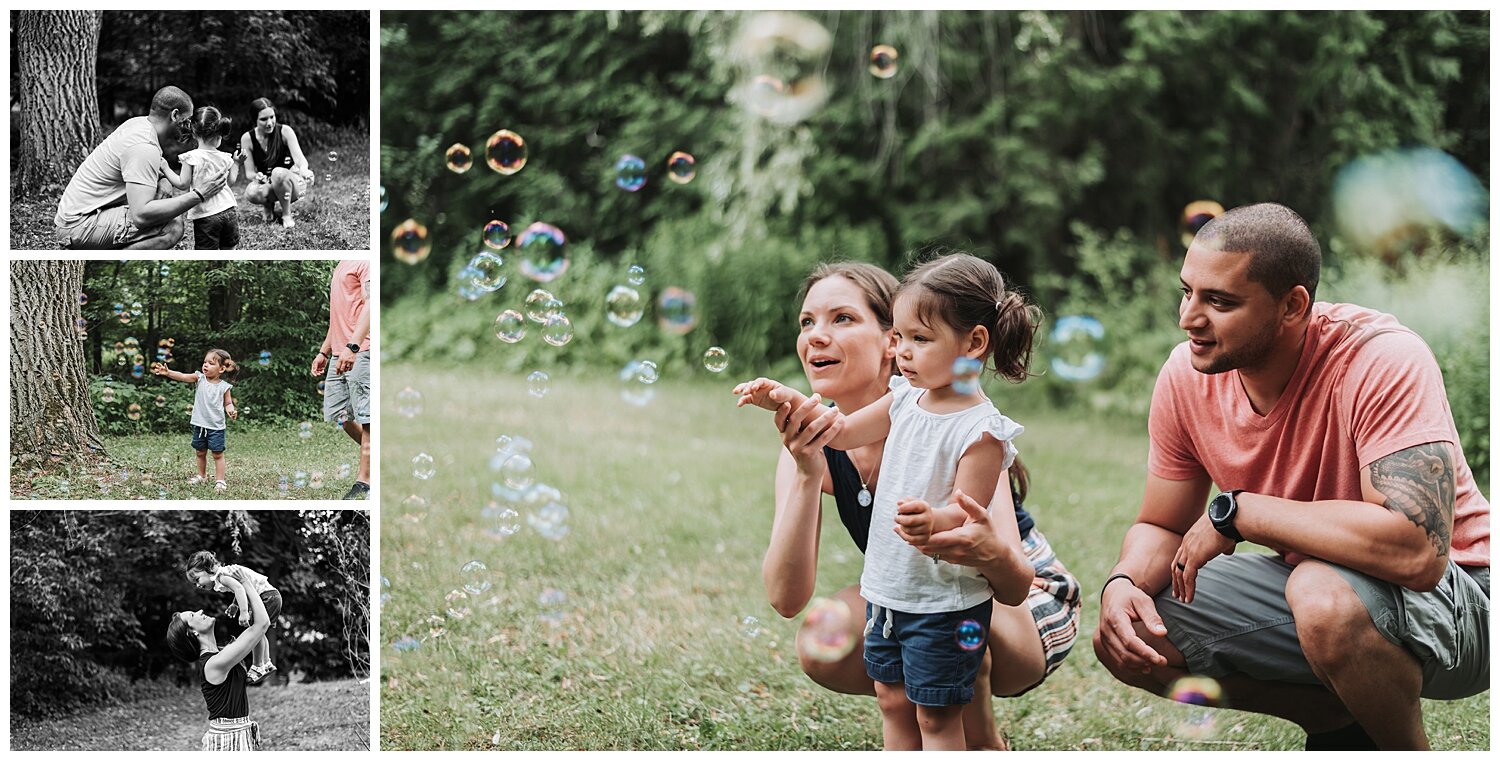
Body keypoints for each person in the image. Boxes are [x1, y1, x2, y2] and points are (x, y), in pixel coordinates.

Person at [1093, 202, 1489, 750]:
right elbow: (1160, 525)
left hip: (1467, 596)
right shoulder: (1185, 376)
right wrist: (1124, 582)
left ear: (1292, 305)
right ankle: (1336, 721)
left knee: (1321, 592)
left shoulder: (1381, 358)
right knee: (1138, 633)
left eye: (1219, 301)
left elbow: (1418, 552)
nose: (1188, 318)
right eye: (1187, 292)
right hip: (1324, 591)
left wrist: (1242, 512)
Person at [737, 254, 1075, 750]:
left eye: (842, 318)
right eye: (807, 322)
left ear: (888, 340)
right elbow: (786, 599)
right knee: (870, 666)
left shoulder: (960, 429)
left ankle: (982, 743)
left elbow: (1013, 582)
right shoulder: (828, 437)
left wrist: (951, 531)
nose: (815, 335)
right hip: (922, 588)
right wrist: (808, 465)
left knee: (947, 621)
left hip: (1020, 604)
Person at [54, 85, 229, 249]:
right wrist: (199, 194)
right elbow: (141, 216)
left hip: (79, 215)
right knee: (172, 225)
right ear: (175, 115)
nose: (189, 127)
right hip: (79, 225)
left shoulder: (139, 125)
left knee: (162, 204)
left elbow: (151, 166)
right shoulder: (144, 147)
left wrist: (163, 179)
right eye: (187, 120)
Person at [165, 565, 270, 751]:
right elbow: (262, 624)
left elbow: (259, 634)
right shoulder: (213, 664)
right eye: (192, 615)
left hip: (239, 735)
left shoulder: (222, 653)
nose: (198, 611)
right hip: (227, 741)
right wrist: (246, 584)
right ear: (193, 633)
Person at [314, 260, 372, 500]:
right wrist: (323, 352)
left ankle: (366, 481)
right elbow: (338, 317)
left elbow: (372, 304)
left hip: (362, 349)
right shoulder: (341, 264)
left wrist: (353, 346)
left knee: (368, 417)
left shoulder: (366, 262)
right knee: (340, 415)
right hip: (340, 351)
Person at [184, 550, 283, 684]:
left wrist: (243, 612)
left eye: (197, 579)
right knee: (260, 633)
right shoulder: (224, 574)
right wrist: (235, 604)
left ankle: (258, 665)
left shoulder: (222, 577)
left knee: (256, 630)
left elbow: (240, 589)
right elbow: (239, 587)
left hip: (266, 596)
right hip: (271, 596)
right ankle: (266, 663)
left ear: (208, 569)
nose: (198, 585)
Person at [152, 349, 238, 492]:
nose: (205, 365)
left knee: (217, 454)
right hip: (199, 424)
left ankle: (220, 480)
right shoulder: (199, 378)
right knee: (200, 452)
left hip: (216, 426)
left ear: (222, 369)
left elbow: (228, 403)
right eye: (205, 362)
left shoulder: (224, 386)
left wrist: (231, 411)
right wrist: (168, 373)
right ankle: (201, 476)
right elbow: (183, 376)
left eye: (211, 363)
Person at [161, 106, 241, 249]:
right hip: (229, 211)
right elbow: (230, 181)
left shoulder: (191, 158)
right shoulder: (225, 158)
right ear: (219, 135)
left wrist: (166, 168)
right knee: (229, 249)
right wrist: (237, 163)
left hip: (207, 216)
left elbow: (182, 184)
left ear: (194, 133)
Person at [240, 97, 313, 229]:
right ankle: (268, 206)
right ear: (254, 120)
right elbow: (249, 172)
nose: (269, 123)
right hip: (268, 183)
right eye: (263, 119)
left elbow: (300, 160)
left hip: (291, 183)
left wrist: (304, 170)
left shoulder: (285, 131)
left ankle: (286, 215)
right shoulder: (247, 138)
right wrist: (258, 177)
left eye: (272, 117)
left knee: (278, 173)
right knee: (251, 192)